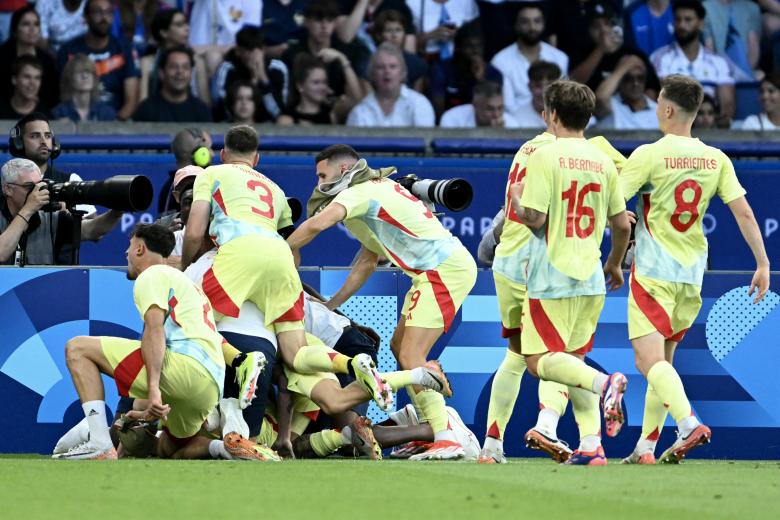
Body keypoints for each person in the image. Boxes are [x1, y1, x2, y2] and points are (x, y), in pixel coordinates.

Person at [181, 125, 394, 412]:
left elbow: (194, 233)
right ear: (256, 159)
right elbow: (294, 254)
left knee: (189, 319)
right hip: (281, 257)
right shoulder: (276, 190)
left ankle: (242, 364)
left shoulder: (210, 174)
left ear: (222, 154)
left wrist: (187, 266)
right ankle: (351, 363)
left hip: (238, 253)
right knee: (295, 353)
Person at [286, 143, 477, 460]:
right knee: (398, 346)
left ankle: (447, 436)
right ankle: (433, 426)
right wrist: (330, 306)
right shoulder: (375, 190)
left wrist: (278, 251)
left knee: (412, 352)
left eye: (323, 174)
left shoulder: (357, 192)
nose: (319, 182)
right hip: (435, 273)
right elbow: (366, 263)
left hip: (442, 271)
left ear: (344, 170)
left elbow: (316, 224)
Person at [618, 74, 770, 464]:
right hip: (691, 275)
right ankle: (645, 449)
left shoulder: (649, 154)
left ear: (667, 108)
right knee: (663, 365)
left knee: (647, 362)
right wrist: (763, 262)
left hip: (653, 272)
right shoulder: (715, 158)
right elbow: (744, 212)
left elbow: (613, 205)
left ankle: (687, 424)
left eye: (658, 103)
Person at [510, 80, 632, 466]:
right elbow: (623, 225)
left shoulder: (545, 156)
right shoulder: (602, 160)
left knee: (537, 361)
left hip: (551, 274)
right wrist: (613, 262)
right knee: (572, 361)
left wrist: (517, 202)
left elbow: (537, 218)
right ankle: (592, 444)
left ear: (554, 115)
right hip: (591, 276)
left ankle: (605, 383)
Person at [56, 223, 233, 460]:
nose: (127, 254)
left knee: (77, 348)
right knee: (169, 448)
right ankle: (224, 447)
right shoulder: (185, 283)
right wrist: (143, 413)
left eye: (129, 248)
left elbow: (154, 328)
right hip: (211, 386)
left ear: (140, 248)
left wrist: (153, 390)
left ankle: (99, 442)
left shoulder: (152, 274)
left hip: (186, 369)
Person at [0, 158, 122, 265]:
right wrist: (28, 209)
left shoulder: (52, 218)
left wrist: (116, 212)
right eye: (29, 187)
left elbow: (91, 231)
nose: (36, 192)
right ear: (8, 189)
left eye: (40, 186)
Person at [650, 0, 736, 124]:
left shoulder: (719, 62)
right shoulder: (659, 59)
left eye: (688, 20)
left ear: (701, 24)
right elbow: (658, 102)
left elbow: (728, 107)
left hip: (711, 131)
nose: (681, 25)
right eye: (678, 20)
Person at [57, 0, 140, 120]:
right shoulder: (69, 50)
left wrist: (113, 127)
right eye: (98, 12)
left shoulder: (124, 48)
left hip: (116, 122)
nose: (104, 17)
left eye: (109, 12)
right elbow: (64, 92)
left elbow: (131, 100)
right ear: (86, 17)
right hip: (76, 121)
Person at [490, 3, 569, 116]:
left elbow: (562, 97)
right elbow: (508, 106)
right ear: (516, 25)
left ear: (543, 24)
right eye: (525, 22)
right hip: (517, 123)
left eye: (537, 21)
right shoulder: (500, 61)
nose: (532, 27)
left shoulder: (560, 58)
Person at [571, 2, 660, 96]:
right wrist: (601, 49)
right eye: (596, 26)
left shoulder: (633, 53)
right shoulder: (581, 55)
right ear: (588, 30)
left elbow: (652, 91)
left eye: (607, 23)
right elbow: (572, 85)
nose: (603, 30)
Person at [212, 25, 289, 123]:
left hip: (267, 122)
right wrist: (252, 82)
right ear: (238, 51)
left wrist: (263, 78)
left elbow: (278, 112)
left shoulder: (277, 68)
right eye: (249, 50)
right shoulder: (228, 68)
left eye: (257, 49)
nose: (254, 56)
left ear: (263, 50)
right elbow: (223, 109)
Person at [346, 42, 435, 126]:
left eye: (393, 66)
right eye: (381, 67)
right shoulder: (360, 111)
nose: (387, 71)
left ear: (402, 72)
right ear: (372, 74)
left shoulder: (419, 104)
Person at [139, 9, 210, 107]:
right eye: (180, 25)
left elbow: (205, 103)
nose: (187, 28)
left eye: (186, 24)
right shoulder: (147, 63)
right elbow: (142, 103)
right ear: (164, 33)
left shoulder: (197, 61)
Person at [429, 22, 503, 115]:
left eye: (478, 46)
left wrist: (480, 81)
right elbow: (438, 111)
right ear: (457, 48)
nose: (475, 51)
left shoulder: (493, 73)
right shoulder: (441, 70)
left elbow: (492, 109)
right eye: (469, 46)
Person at [0, 6, 60, 109]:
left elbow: (53, 95)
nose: (32, 29)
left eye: (36, 24)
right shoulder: (2, 58)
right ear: (15, 30)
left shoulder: (47, 60)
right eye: (26, 24)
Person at [132, 46, 212, 122]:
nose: (180, 72)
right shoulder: (146, 110)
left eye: (185, 67)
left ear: (191, 74)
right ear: (162, 73)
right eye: (174, 67)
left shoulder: (201, 111)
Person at [595, 54, 659, 128]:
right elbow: (600, 98)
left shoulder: (658, 111)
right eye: (628, 78)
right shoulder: (613, 104)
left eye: (640, 77)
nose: (636, 83)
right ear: (619, 80)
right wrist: (625, 66)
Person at [371, 9, 428, 92]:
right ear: (378, 35)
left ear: (404, 33)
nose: (394, 35)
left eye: (398, 30)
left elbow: (417, 97)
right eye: (388, 30)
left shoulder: (417, 63)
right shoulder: (370, 63)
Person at [52, 53, 117, 122]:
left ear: (94, 78)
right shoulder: (58, 113)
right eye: (79, 72)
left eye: (88, 72)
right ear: (69, 78)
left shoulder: (106, 113)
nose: (85, 76)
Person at [408, 0, 479, 60]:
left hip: (459, 59)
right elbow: (405, 47)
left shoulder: (466, 2)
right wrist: (430, 35)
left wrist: (460, 33)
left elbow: (474, 36)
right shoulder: (412, 3)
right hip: (427, 59)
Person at [277, 56, 337, 125]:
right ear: (300, 86)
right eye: (316, 82)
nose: (322, 87)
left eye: (324, 82)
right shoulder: (286, 119)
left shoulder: (331, 114)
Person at [439, 80, 520, 128]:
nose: (496, 114)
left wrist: (501, 134)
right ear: (475, 106)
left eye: (500, 108)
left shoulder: (512, 124)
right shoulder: (452, 119)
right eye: (490, 109)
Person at [512, 61, 562, 128]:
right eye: (538, 86)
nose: (544, 92)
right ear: (530, 87)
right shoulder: (517, 118)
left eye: (550, 86)